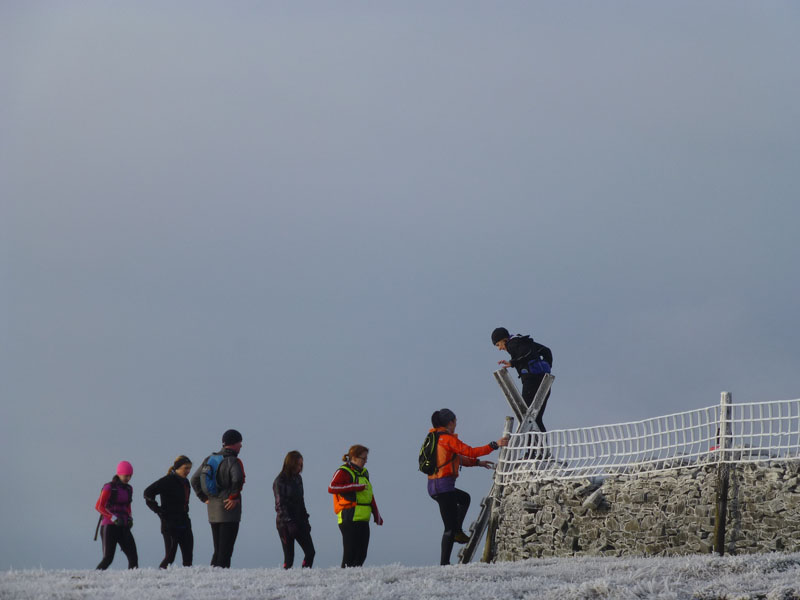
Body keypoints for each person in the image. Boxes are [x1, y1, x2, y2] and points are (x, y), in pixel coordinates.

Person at [426, 408, 509, 565]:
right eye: (455, 421)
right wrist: (494, 445)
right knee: (448, 528)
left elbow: (456, 459)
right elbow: (471, 451)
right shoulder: (447, 439)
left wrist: (478, 463)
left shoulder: (435, 438)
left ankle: (457, 531)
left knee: (464, 498)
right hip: (443, 487)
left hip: (434, 486)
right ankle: (444, 563)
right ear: (450, 422)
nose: (457, 424)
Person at [191, 429, 246, 568]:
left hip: (213, 510)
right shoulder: (233, 461)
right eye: (240, 443)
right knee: (226, 551)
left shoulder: (209, 459)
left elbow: (194, 479)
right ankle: (222, 581)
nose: (241, 446)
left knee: (217, 550)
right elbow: (238, 478)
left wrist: (203, 498)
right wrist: (233, 497)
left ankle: (213, 578)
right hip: (229, 511)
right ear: (233, 443)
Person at [327, 444, 383, 568]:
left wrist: (376, 514)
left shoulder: (364, 473)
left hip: (363, 518)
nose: (366, 461)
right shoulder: (343, 471)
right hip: (348, 517)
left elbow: (369, 495)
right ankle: (343, 581)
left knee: (362, 554)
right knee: (349, 554)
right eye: (364, 458)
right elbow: (331, 487)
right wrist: (355, 487)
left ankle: (355, 583)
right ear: (354, 458)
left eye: (366, 459)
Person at [492, 327, 553, 431]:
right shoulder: (523, 341)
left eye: (498, 344)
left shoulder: (512, 344)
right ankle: (541, 446)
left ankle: (534, 446)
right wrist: (546, 367)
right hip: (544, 381)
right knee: (535, 418)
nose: (499, 348)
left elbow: (526, 353)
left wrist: (513, 363)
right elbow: (546, 351)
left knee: (526, 416)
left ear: (504, 340)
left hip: (531, 381)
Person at [143, 455, 194, 569]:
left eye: (189, 468)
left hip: (185, 522)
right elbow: (147, 493)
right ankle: (158, 579)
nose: (188, 471)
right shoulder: (168, 480)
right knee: (170, 557)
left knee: (188, 559)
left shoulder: (186, 482)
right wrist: (159, 511)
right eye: (185, 468)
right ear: (177, 468)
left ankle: (187, 584)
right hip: (170, 524)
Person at [273, 450, 315, 569]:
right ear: (290, 463)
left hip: (299, 520)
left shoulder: (298, 479)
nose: (300, 467)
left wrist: (306, 520)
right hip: (285, 524)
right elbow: (280, 505)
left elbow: (301, 501)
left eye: (301, 465)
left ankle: (305, 574)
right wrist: (289, 521)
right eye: (298, 464)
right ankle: (287, 580)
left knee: (310, 552)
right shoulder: (279, 481)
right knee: (289, 558)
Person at [95, 460, 138, 570]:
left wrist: (130, 518)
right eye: (126, 475)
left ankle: (134, 583)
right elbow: (99, 506)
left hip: (123, 526)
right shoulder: (109, 487)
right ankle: (93, 579)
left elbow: (128, 506)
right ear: (119, 473)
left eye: (130, 476)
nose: (128, 478)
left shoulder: (129, 489)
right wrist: (113, 518)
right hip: (109, 526)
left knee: (133, 558)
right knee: (108, 558)